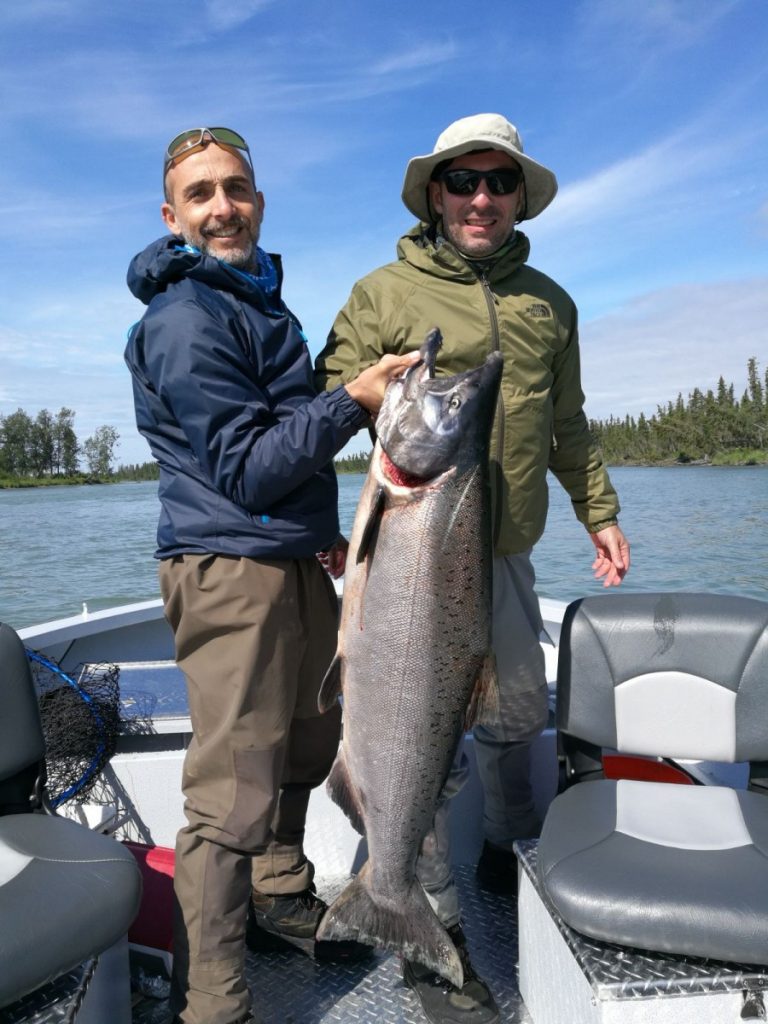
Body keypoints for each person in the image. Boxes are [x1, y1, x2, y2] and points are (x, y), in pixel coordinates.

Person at [315, 112, 631, 1024]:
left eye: (500, 182)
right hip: (408, 562)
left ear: (521, 195)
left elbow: (567, 425)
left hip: (504, 556)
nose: (482, 198)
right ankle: (427, 921)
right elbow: (329, 404)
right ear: (435, 194)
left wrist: (599, 511)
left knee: (517, 713)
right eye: (465, 181)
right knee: (412, 731)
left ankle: (505, 850)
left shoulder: (549, 303)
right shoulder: (381, 291)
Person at [124, 126, 417, 1024]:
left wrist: (325, 536)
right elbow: (249, 467)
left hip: (289, 562)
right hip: (226, 573)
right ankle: (213, 1000)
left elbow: (283, 456)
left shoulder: (256, 303)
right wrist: (355, 400)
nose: (224, 207)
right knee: (230, 794)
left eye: (237, 188)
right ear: (173, 217)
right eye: (202, 194)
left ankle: (279, 892)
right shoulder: (184, 319)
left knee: (306, 739)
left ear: (259, 198)